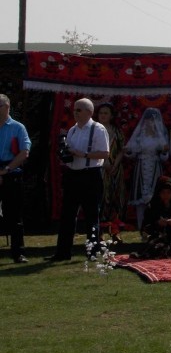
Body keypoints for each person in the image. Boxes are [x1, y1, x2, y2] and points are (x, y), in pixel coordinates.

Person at [49, 98, 110, 261]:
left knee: (91, 214)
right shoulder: (72, 130)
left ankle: (92, 251)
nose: (75, 113)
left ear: (89, 112)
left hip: (90, 174)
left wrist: (83, 154)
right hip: (73, 174)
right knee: (67, 215)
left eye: (79, 110)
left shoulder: (98, 129)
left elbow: (105, 153)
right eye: (74, 110)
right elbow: (70, 152)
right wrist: (66, 154)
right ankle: (63, 252)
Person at [125, 107, 170, 232]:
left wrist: (164, 152)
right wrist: (129, 151)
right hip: (141, 168)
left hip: (155, 167)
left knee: (155, 197)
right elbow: (132, 153)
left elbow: (164, 157)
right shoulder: (139, 136)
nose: (150, 123)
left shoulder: (160, 137)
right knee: (140, 198)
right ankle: (141, 227)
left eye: (153, 120)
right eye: (148, 120)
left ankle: (155, 227)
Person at [0, 94, 31, 263]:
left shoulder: (18, 128)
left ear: (7, 107)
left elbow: (24, 152)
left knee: (14, 216)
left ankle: (18, 252)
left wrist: (6, 169)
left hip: (11, 172)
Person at [96, 103, 127, 236]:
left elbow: (122, 149)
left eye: (106, 113)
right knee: (102, 195)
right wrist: (105, 163)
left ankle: (114, 228)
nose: (103, 115)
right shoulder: (94, 130)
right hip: (100, 167)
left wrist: (115, 165)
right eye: (101, 113)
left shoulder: (116, 130)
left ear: (111, 116)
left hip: (116, 168)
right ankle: (101, 227)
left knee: (116, 195)